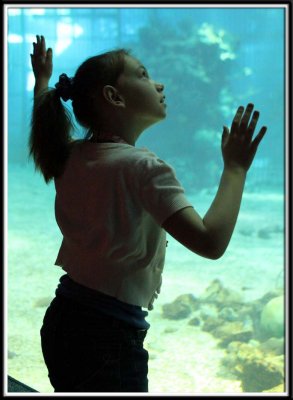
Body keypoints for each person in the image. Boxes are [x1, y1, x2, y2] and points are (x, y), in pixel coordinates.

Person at [29, 34, 267, 393]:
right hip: (109, 338)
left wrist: (43, 83)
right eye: (142, 74)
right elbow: (210, 241)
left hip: (65, 318)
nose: (158, 83)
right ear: (114, 96)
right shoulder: (143, 168)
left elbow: (45, 123)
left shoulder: (70, 154)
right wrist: (235, 169)